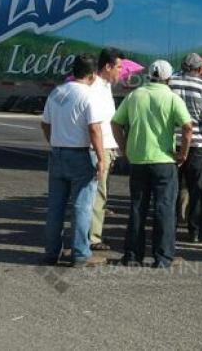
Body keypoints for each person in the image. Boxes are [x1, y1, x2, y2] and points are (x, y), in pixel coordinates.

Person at [112, 60, 193, 268]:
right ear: (169, 78)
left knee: (138, 207)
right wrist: (182, 153)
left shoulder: (134, 95)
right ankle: (163, 257)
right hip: (164, 160)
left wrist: (124, 149)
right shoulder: (171, 97)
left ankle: (132, 255)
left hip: (138, 159)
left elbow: (116, 123)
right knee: (164, 209)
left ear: (149, 75)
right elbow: (187, 127)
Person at [41, 54, 106, 267]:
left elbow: (45, 124)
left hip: (58, 153)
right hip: (80, 154)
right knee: (81, 206)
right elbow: (94, 129)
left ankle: (51, 252)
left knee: (56, 206)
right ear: (93, 74)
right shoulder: (89, 96)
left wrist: (54, 140)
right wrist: (101, 158)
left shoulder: (57, 92)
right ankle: (80, 253)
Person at [169, 54, 202, 242]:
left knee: (173, 188)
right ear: (200, 69)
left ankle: (170, 229)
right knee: (197, 188)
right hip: (198, 143)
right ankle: (196, 232)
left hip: (171, 143)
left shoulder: (170, 83)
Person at [88, 47, 125, 252]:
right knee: (97, 194)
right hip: (99, 148)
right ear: (108, 66)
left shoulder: (105, 86)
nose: (120, 71)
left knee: (101, 194)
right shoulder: (94, 87)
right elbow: (95, 125)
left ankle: (94, 232)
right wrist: (101, 153)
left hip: (108, 147)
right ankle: (92, 237)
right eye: (118, 67)